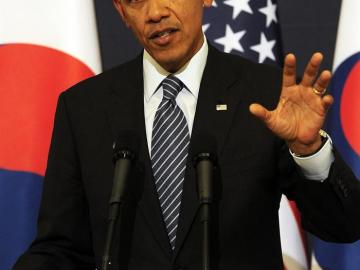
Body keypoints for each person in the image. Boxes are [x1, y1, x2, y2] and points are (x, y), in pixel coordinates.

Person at [14, 0, 360, 269]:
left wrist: (309, 149)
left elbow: (344, 226)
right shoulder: (85, 108)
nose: (155, 13)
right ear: (121, 11)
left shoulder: (264, 95)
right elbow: (61, 248)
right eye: (136, 1)